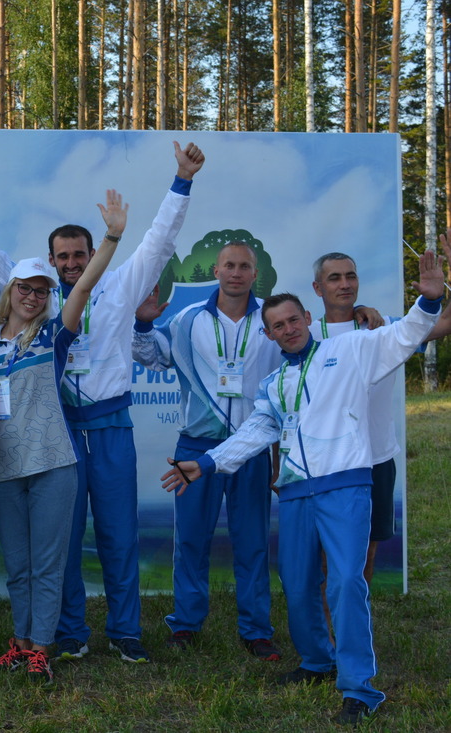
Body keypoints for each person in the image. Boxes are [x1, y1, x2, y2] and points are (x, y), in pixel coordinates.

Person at [0, 141, 206, 663]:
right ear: (51, 261)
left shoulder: (123, 285)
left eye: (78, 256)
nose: (70, 264)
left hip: (108, 428)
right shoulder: (39, 298)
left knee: (118, 535)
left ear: (91, 255)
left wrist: (182, 181)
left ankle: (126, 632)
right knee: (56, 541)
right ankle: (69, 632)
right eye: (62, 257)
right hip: (56, 433)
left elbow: (158, 239)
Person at [161, 244, 448, 727]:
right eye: (278, 326)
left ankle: (359, 688)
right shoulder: (273, 385)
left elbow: (405, 336)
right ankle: (317, 662)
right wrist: (204, 465)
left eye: (294, 320)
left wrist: (431, 301)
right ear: (269, 334)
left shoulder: (352, 349)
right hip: (294, 496)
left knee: (344, 586)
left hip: (345, 489)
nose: (288, 329)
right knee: (297, 586)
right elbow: (254, 434)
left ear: (307, 318)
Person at [0, 190, 123, 684]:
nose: (34, 295)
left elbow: (82, 287)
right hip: (2, 468)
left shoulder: (54, 335)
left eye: (42, 290)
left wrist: (111, 237)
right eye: (27, 287)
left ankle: (41, 647)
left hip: (54, 464)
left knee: (47, 564)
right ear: (11, 289)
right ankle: (19, 643)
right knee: (17, 565)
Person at [132, 242, 282, 659]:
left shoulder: (270, 320)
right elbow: (152, 357)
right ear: (216, 270)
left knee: (251, 541)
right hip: (195, 445)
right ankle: (186, 624)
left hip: (249, 446)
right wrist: (143, 326)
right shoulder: (187, 319)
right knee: (191, 541)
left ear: (256, 274)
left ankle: (256, 630)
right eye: (229, 265)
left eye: (245, 266)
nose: (236, 272)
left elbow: (304, 347)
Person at [309, 249, 451, 584]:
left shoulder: (385, 327)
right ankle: (326, 630)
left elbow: (443, 322)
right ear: (318, 288)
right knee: (325, 553)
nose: (345, 284)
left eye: (351, 276)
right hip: (325, 461)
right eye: (335, 277)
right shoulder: (304, 335)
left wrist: (440, 292)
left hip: (376, 458)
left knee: (367, 552)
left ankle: (355, 626)